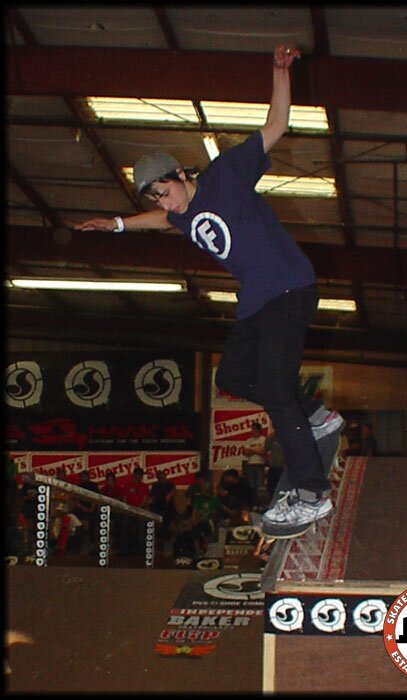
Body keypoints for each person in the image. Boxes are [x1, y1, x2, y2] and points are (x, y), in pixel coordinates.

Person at [76, 45, 344, 539]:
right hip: (258, 304)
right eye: (156, 198)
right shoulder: (176, 211)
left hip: (289, 288)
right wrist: (117, 224)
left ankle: (312, 494)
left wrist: (279, 73)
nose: (165, 203)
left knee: (277, 385)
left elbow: (276, 125)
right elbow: (162, 219)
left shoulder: (226, 175)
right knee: (237, 377)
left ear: (181, 173)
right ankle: (317, 416)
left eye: (166, 190)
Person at [242, 422, 267, 506]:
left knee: (259, 486)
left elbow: (263, 451)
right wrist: (256, 450)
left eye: (254, 429)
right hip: (250, 465)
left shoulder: (263, 439)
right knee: (251, 486)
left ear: (259, 430)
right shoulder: (248, 441)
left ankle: (260, 505)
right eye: (252, 429)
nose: (253, 431)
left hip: (260, 464)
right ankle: (253, 504)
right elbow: (245, 452)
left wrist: (251, 450)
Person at [264, 421, 286, 499]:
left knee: (281, 487)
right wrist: (271, 437)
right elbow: (266, 448)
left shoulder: (286, 437)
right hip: (273, 467)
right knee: (271, 487)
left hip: (283, 468)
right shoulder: (272, 438)